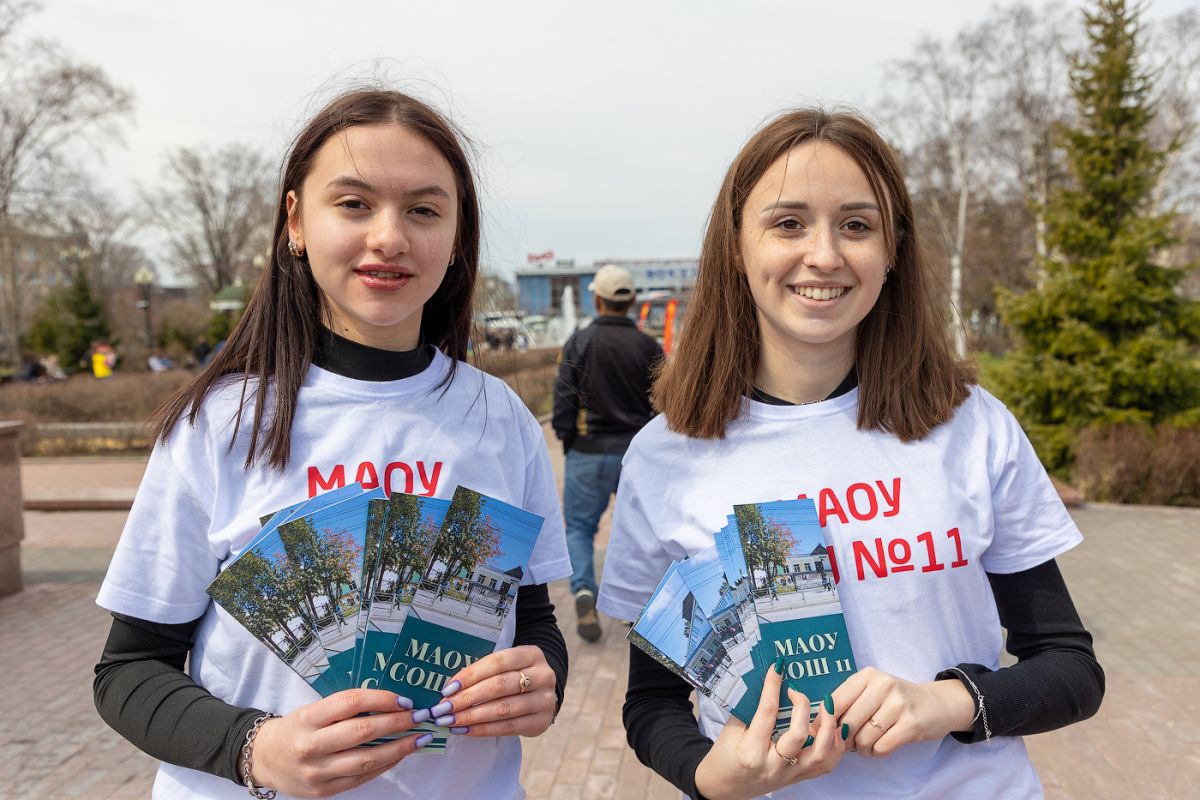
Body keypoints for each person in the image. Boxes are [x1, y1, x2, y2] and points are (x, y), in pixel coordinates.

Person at [596, 109, 1104, 799]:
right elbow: (652, 702)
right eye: (788, 223)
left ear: (892, 251)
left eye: (857, 225)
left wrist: (943, 703)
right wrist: (709, 775)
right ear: (735, 246)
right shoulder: (668, 455)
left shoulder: (968, 425)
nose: (826, 254)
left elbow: (1070, 668)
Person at [93, 88, 571, 800]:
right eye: (353, 204)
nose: (390, 237)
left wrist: (540, 683)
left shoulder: (499, 416)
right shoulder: (220, 424)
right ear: (296, 221)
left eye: (423, 210)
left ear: (457, 235)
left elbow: (533, 623)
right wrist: (253, 748)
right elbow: (129, 672)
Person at [552, 264, 661, 642]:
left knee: (580, 528)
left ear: (597, 299)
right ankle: (641, 607)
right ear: (631, 301)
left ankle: (584, 590)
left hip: (589, 450)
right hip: (637, 454)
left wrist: (569, 443)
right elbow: (661, 404)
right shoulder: (648, 346)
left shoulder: (580, 341)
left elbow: (564, 401)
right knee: (640, 533)